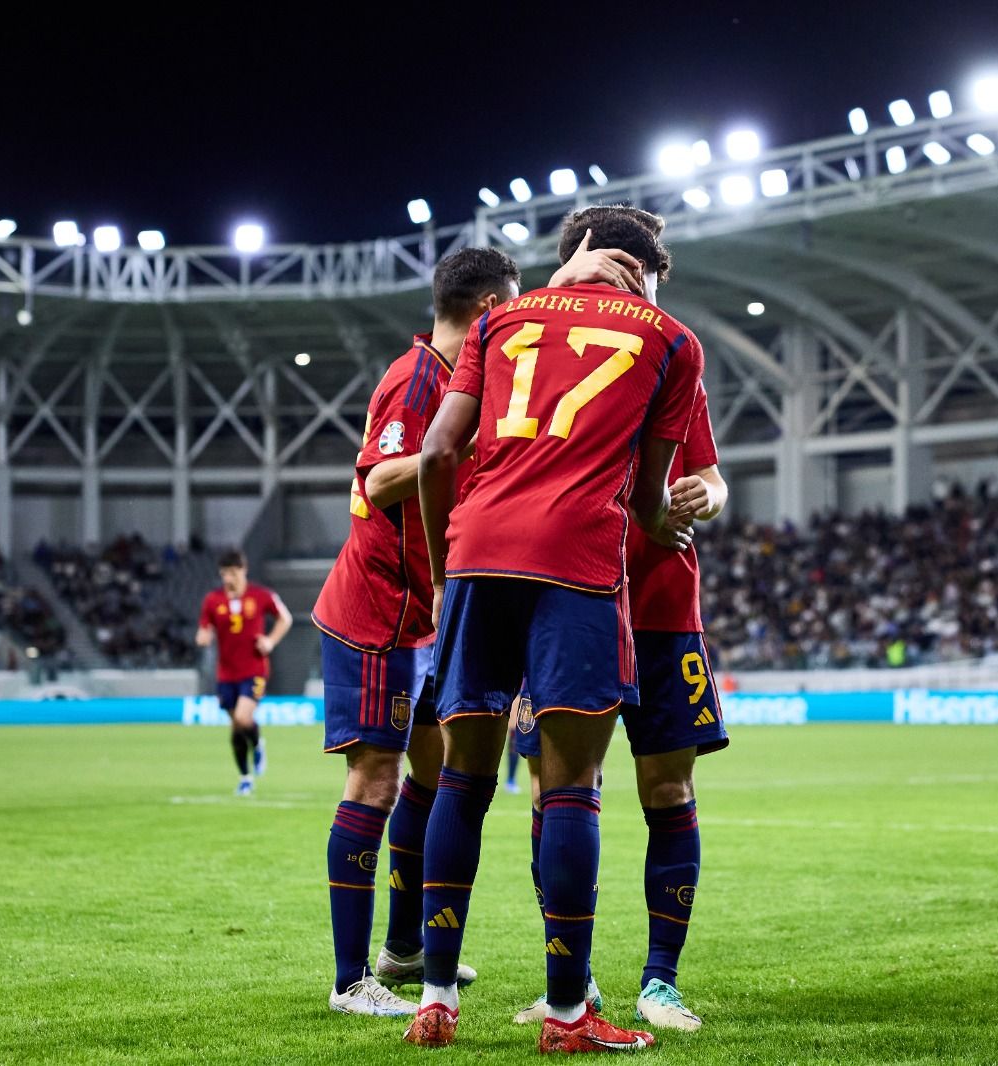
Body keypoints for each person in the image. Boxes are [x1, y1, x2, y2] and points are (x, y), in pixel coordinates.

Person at [312, 240, 651, 1018]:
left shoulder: (461, 373)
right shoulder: (417, 378)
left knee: (430, 778)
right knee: (376, 779)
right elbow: (379, 475)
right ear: (490, 309)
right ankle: (347, 979)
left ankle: (406, 951)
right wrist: (469, 463)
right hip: (379, 609)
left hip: (425, 609)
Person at [407, 204, 702, 1054]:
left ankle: (435, 1000)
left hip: (475, 556)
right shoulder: (674, 341)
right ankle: (570, 1017)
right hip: (574, 562)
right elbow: (649, 499)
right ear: (642, 272)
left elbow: (434, 458)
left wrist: (439, 576)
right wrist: (667, 523)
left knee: (462, 779)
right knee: (571, 785)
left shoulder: (499, 320)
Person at [511, 381, 728, 1032]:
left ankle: (661, 982)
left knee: (668, 787)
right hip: (569, 604)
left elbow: (713, 481)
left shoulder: (676, 375)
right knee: (552, 791)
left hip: (663, 608)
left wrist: (706, 498)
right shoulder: (554, 362)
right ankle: (572, 983)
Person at [195, 550, 292, 796]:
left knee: (242, 718)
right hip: (226, 673)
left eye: (233, 572)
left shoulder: (261, 595)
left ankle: (258, 743)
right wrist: (203, 636)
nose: (229, 578)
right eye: (225, 573)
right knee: (236, 727)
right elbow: (204, 629)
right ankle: (245, 777)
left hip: (255, 670)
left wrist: (270, 641)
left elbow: (285, 618)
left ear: (243, 570)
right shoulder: (212, 600)